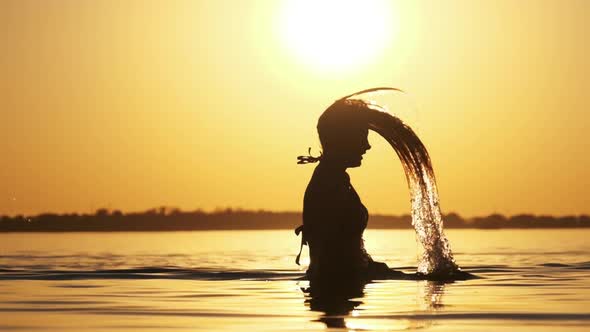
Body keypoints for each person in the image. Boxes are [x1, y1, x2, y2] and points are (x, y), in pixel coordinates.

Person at [295, 98, 403, 284]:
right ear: (344, 139)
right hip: (333, 292)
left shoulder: (335, 178)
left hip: (341, 290)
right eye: (362, 136)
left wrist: (376, 270)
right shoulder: (328, 183)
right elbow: (331, 260)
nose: (367, 145)